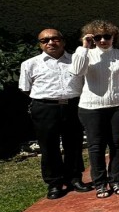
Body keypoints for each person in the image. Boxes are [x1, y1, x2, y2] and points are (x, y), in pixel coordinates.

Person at [70, 20, 119, 198]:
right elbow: (77, 71)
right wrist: (84, 47)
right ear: (92, 38)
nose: (103, 40)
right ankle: (100, 183)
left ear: (114, 37)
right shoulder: (84, 54)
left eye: (107, 36)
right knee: (96, 146)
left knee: (117, 145)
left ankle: (116, 180)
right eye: (98, 37)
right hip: (91, 108)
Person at [19, 28, 89, 199]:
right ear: (40, 44)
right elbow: (25, 89)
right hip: (45, 108)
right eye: (45, 40)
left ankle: (74, 178)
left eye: (55, 39)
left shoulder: (75, 60)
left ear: (63, 41)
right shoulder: (30, 64)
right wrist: (48, 100)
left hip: (73, 106)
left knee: (74, 143)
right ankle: (54, 183)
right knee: (49, 146)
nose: (50, 42)